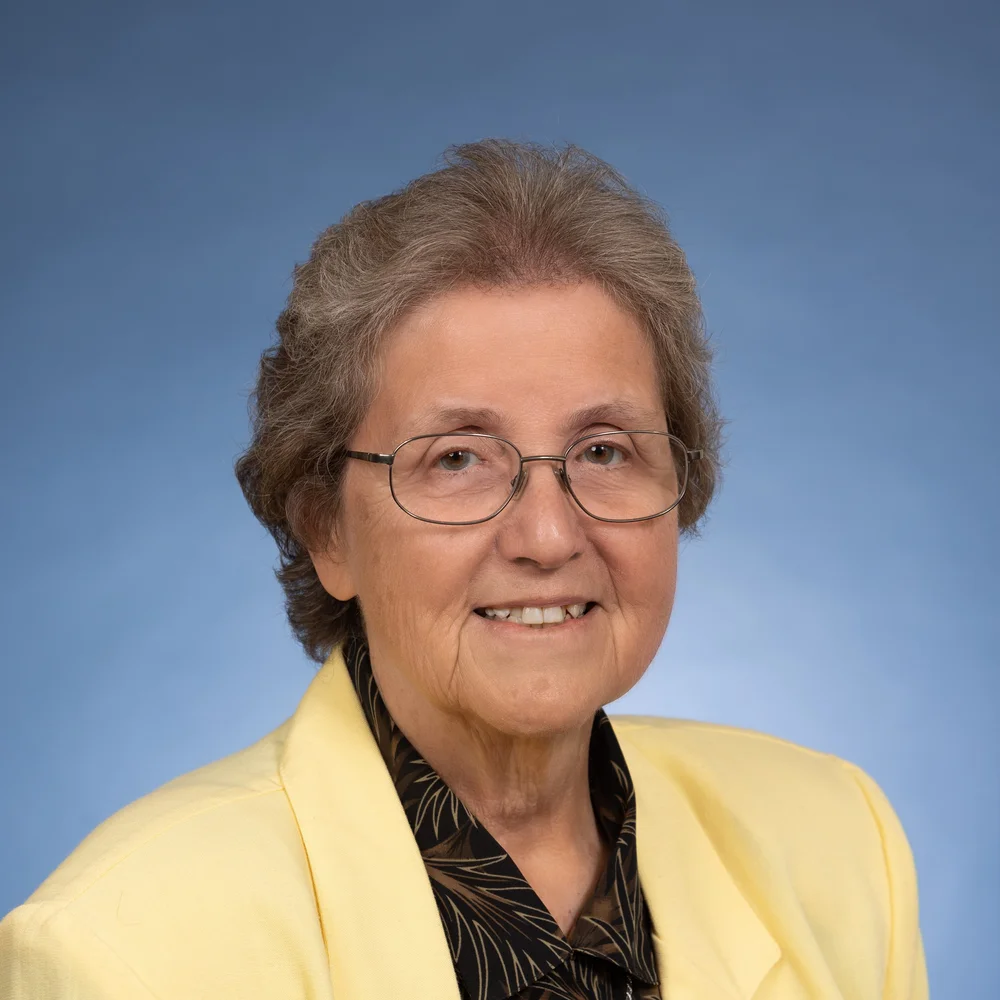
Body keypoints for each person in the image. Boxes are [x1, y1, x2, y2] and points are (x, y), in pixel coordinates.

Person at [0, 140, 928, 999]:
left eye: (604, 451)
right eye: (457, 459)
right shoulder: (121, 954)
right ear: (327, 530)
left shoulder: (839, 845)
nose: (548, 536)